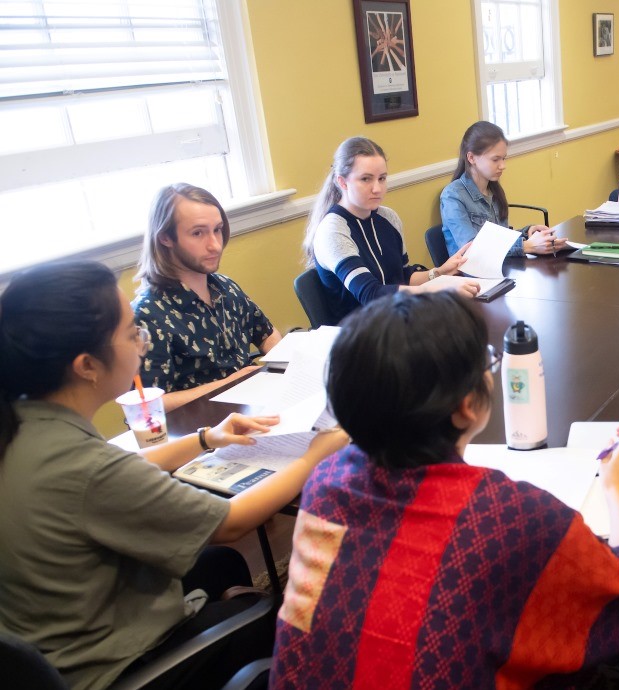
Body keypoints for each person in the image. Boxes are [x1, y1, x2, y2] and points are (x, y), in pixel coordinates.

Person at [270, 292, 619, 688]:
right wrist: (617, 490)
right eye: (486, 363)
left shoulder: (325, 481)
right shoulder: (507, 516)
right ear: (467, 405)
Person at [0, 261, 348, 690]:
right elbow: (231, 521)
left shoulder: (23, 425)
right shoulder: (83, 466)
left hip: (48, 639)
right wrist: (315, 455)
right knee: (275, 618)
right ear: (87, 365)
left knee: (218, 567)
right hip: (111, 669)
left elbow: (116, 472)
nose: (141, 342)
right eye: (132, 332)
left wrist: (205, 438)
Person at [132, 184, 282, 412]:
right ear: (165, 238)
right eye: (198, 233)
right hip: (201, 430)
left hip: (253, 406)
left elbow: (267, 334)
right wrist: (230, 383)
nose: (214, 244)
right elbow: (149, 404)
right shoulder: (148, 314)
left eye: (218, 230)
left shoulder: (225, 287)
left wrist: (284, 363)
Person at [305, 136, 477, 326]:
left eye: (382, 178)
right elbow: (371, 295)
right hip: (359, 334)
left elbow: (402, 277)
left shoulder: (388, 217)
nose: (377, 188)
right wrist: (441, 289)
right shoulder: (333, 231)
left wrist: (438, 273)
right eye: (365, 179)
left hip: (396, 319)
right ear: (342, 182)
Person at [440, 121, 567, 257]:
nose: (503, 166)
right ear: (471, 158)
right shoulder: (452, 196)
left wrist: (527, 232)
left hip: (502, 268)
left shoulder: (493, 190)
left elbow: (500, 240)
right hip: (471, 275)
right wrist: (526, 246)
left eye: (503, 158)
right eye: (495, 160)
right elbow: (472, 249)